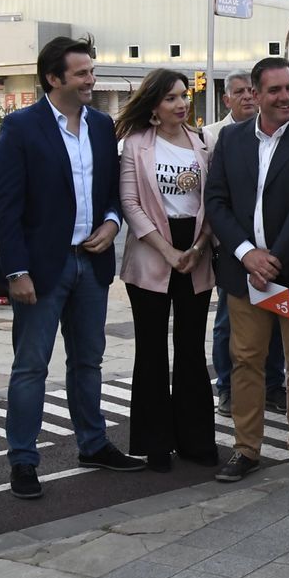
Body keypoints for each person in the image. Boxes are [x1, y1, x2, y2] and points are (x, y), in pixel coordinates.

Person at [0, 35, 142, 500]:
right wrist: (16, 271)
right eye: (81, 73)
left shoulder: (101, 125)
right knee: (31, 366)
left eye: (91, 72)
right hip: (42, 270)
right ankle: (23, 460)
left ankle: (93, 444)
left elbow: (113, 190)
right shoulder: (21, 127)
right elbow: (6, 207)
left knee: (88, 361)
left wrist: (113, 223)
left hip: (91, 264)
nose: (90, 80)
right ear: (53, 78)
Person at [205, 57, 289, 484]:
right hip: (245, 276)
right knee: (245, 361)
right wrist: (247, 255)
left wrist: (273, 258)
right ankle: (246, 449)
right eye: (275, 90)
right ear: (255, 94)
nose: (286, 97)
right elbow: (216, 201)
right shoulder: (231, 139)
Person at [116, 69, 219, 473]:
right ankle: (154, 442)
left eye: (183, 96)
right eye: (171, 98)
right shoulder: (136, 144)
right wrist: (167, 251)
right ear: (154, 105)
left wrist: (197, 247)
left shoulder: (203, 143)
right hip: (151, 252)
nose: (181, 104)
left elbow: (213, 201)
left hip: (196, 251)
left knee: (191, 347)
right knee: (152, 348)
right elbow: (130, 203)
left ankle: (196, 440)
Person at [204, 71, 286, 418]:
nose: (248, 97)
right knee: (228, 323)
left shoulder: (280, 132)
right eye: (239, 92)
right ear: (227, 99)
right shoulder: (213, 136)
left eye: (251, 91)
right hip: (233, 248)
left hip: (274, 251)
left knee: (275, 315)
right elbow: (215, 197)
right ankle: (227, 387)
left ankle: (273, 384)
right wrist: (239, 248)